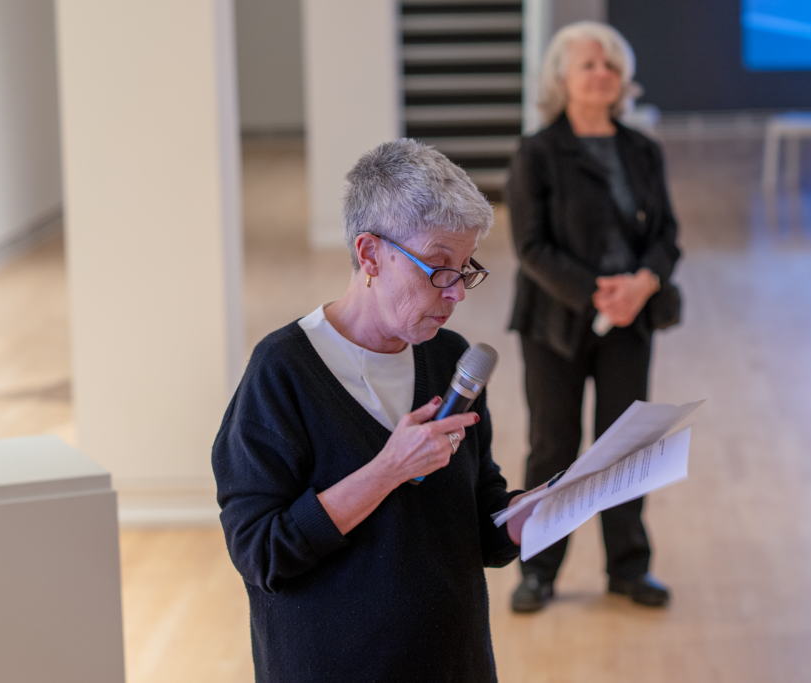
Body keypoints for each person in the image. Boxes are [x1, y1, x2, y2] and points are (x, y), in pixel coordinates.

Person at [213, 139, 537, 682]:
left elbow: (476, 521)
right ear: (369, 255)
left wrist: (526, 516)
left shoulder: (451, 359)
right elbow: (261, 551)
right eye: (438, 267)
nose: (455, 292)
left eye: (464, 268)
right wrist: (387, 470)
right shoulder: (282, 372)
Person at [506, 21, 682, 613]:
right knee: (552, 448)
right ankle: (539, 571)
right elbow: (529, 247)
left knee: (627, 449)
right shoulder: (537, 151)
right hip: (554, 321)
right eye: (589, 65)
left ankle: (629, 569)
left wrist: (644, 282)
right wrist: (598, 292)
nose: (602, 74)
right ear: (562, 78)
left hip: (630, 319)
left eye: (610, 65)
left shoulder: (642, 150)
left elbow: (667, 234)